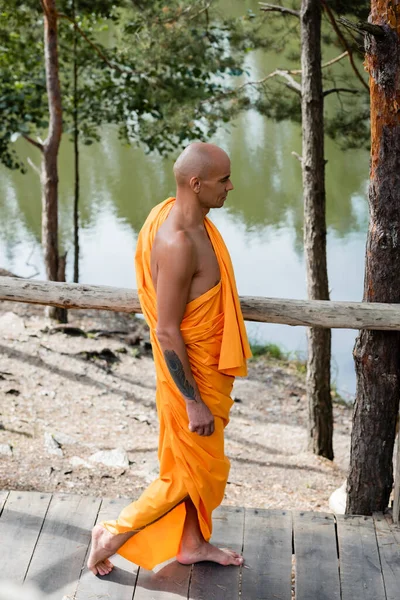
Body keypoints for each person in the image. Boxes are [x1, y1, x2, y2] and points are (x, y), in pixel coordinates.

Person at [87, 142, 251, 576]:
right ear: (195, 184)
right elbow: (165, 328)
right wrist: (193, 401)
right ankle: (112, 533)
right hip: (189, 382)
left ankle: (192, 543)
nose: (231, 186)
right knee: (186, 476)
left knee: (196, 469)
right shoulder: (177, 240)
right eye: (223, 180)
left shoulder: (177, 214)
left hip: (206, 371)